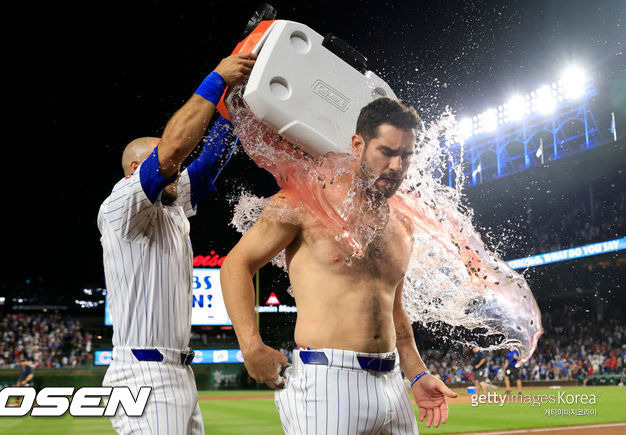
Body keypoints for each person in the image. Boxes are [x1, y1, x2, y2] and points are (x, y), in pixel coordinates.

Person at [221, 97, 457, 433]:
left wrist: (417, 373)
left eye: (405, 155)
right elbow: (236, 265)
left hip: (393, 384)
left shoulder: (402, 225)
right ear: (357, 144)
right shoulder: (306, 201)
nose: (396, 166)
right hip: (327, 381)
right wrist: (250, 344)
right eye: (387, 152)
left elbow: (394, 309)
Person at [98, 51, 256, 434]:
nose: (179, 168)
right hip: (142, 376)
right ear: (138, 169)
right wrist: (217, 78)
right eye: (170, 164)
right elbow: (173, 150)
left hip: (177, 373)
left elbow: (214, 153)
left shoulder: (171, 205)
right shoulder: (122, 204)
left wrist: (238, 94)